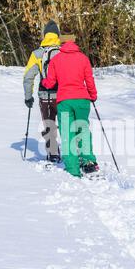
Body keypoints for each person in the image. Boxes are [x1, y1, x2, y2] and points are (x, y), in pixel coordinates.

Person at [42, 38, 98, 177]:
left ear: (62, 44)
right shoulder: (83, 58)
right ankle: (88, 161)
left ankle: (73, 168)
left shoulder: (56, 60)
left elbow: (50, 82)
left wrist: (44, 82)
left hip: (64, 101)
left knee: (67, 133)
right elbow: (89, 80)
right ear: (75, 44)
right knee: (82, 130)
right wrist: (93, 95)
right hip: (82, 101)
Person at [23, 20, 61, 162]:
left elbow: (28, 76)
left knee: (49, 122)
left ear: (45, 35)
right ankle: (71, 153)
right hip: (62, 95)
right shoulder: (63, 51)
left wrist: (28, 97)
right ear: (57, 35)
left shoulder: (37, 53)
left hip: (44, 94)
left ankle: (53, 153)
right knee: (65, 122)